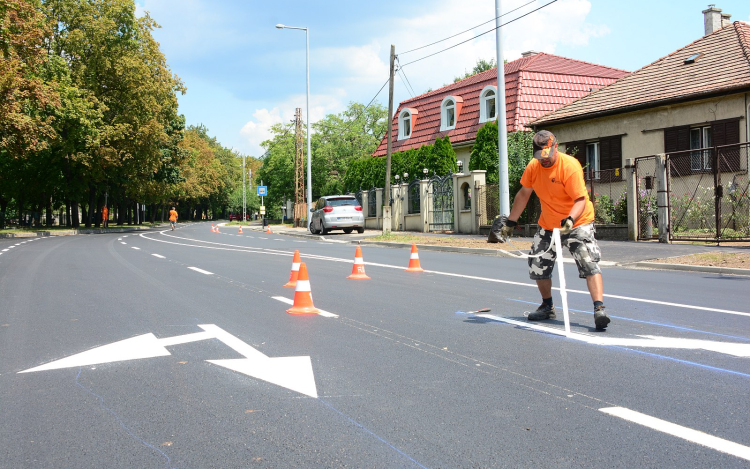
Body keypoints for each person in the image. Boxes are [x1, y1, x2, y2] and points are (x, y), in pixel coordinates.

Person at [499, 130, 610, 330]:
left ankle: (599, 309)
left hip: (577, 222)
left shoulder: (569, 166)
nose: (544, 160)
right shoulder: (534, 167)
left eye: (547, 155)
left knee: (588, 261)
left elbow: (580, 200)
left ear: (555, 147)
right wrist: (510, 222)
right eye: (539, 156)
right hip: (548, 224)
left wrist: (570, 219)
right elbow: (524, 194)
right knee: (537, 263)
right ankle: (547, 307)